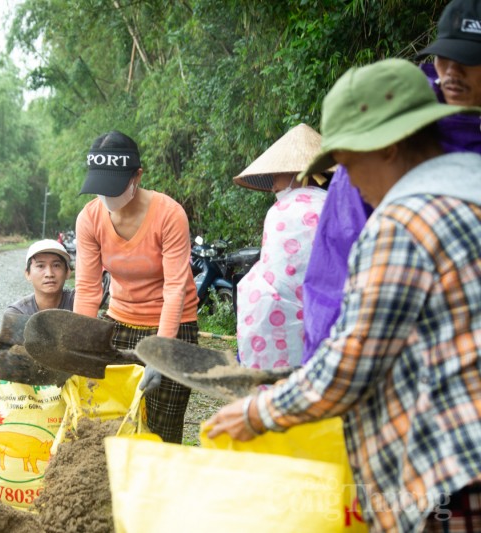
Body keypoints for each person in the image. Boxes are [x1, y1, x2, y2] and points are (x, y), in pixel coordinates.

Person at [205, 58, 481, 532]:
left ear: (391, 146)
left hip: (450, 472)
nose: (348, 185)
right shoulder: (467, 197)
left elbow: (352, 362)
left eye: (350, 165)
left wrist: (257, 411)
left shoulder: (401, 225)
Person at [301, 0, 481, 366]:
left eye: (469, 58)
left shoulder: (398, 204)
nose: (451, 71)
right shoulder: (381, 141)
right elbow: (335, 278)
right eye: (444, 57)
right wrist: (320, 361)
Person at [73, 131, 199, 444]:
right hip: (119, 322)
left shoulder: (169, 215)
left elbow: (175, 289)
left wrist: (160, 352)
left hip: (173, 325)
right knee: (113, 418)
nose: (107, 198)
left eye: (114, 188)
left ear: (137, 177)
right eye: (101, 189)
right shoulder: (89, 218)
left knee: (162, 428)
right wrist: (80, 347)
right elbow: (88, 289)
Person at [231, 124, 328, 369]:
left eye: (278, 174)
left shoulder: (282, 211)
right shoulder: (333, 204)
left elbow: (276, 280)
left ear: (298, 172)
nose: (274, 184)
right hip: (330, 327)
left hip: (286, 331)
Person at [6, 239, 75, 315]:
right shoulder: (18, 313)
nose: (49, 274)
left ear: (67, 272)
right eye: (40, 266)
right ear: (28, 274)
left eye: (56, 265)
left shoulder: (79, 301)